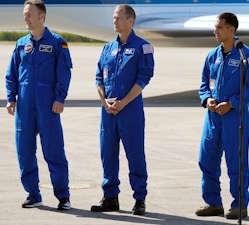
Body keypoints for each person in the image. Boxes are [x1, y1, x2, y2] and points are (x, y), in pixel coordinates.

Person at [5, 0, 72, 210]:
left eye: (29, 14)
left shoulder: (57, 43)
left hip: (48, 106)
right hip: (24, 107)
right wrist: (11, 98)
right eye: (24, 14)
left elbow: (64, 74)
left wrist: (60, 98)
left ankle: (63, 197)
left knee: (53, 151)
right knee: (24, 151)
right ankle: (33, 194)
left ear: (42, 16)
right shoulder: (20, 44)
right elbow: (12, 74)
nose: (25, 18)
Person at [195, 12, 249, 220]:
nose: (215, 31)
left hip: (234, 117)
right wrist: (207, 99)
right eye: (215, 27)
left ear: (231, 30)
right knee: (206, 160)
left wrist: (232, 103)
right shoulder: (212, 55)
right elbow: (204, 83)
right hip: (213, 117)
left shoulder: (246, 56)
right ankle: (213, 202)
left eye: (219, 27)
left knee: (236, 162)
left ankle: (239, 204)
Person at [90, 4, 154, 216]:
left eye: (118, 18)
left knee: (135, 154)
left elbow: (144, 78)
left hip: (130, 110)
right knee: (107, 154)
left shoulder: (142, 47)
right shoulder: (107, 48)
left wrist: (124, 102)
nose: (114, 21)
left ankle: (139, 198)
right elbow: (99, 76)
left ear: (130, 21)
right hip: (108, 112)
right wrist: (104, 101)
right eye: (113, 18)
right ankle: (110, 197)